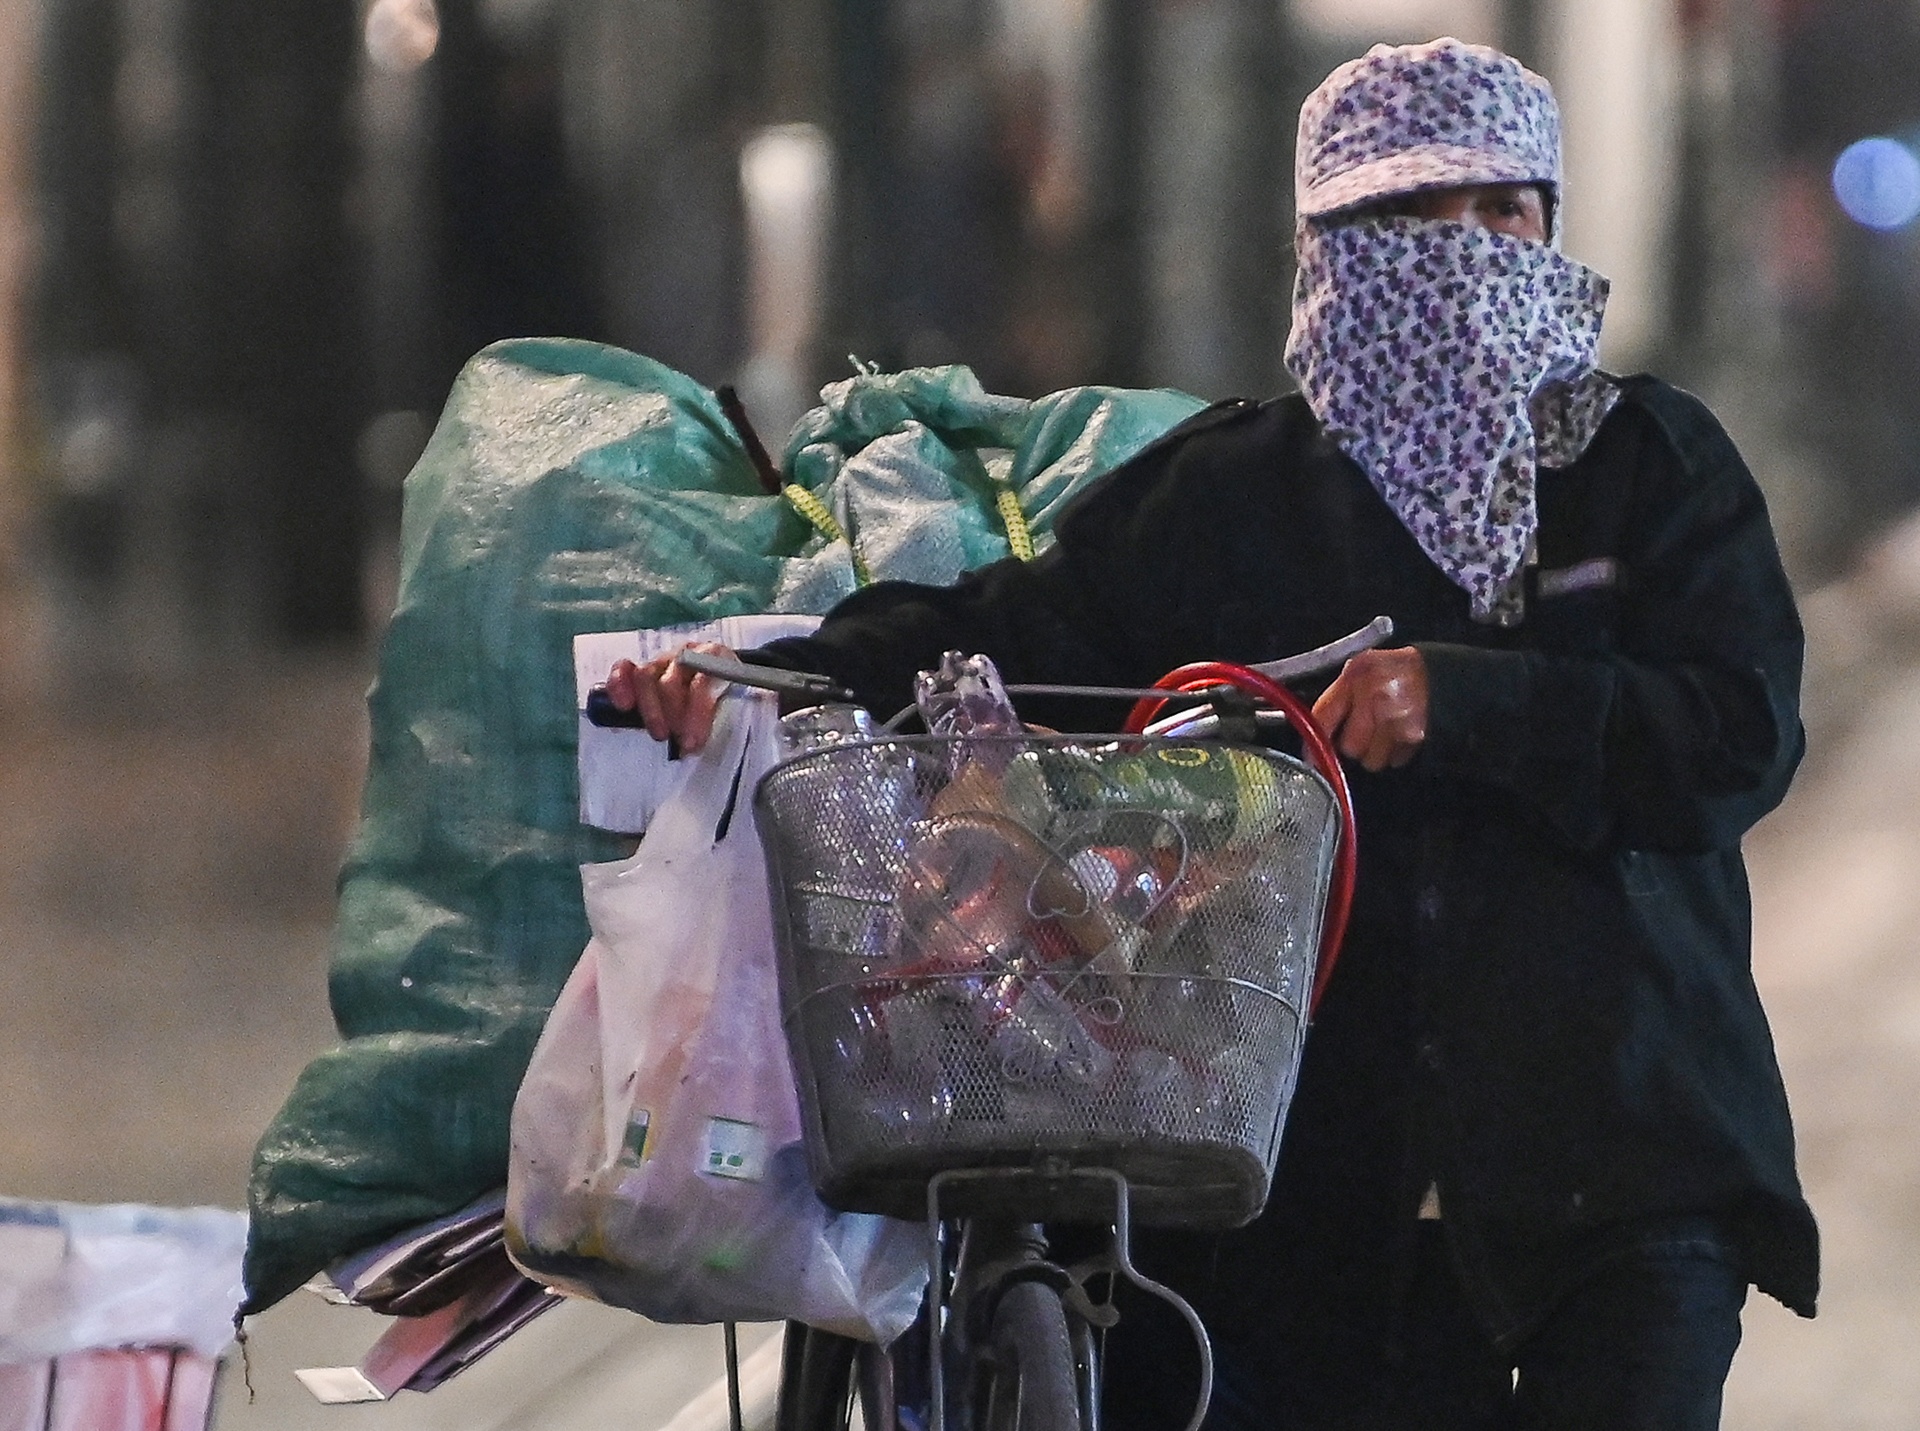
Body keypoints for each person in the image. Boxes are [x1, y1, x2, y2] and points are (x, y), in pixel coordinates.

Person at [603, 38, 1816, 1430]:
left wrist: (1474, 700)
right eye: (1415, 222)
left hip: (1624, 1175)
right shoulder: (1228, 503)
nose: (1471, 257)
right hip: (1315, 1208)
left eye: (1506, 216)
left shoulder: (1646, 469)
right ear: (1327, 251)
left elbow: (1736, 736)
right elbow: (1011, 639)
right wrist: (765, 676)